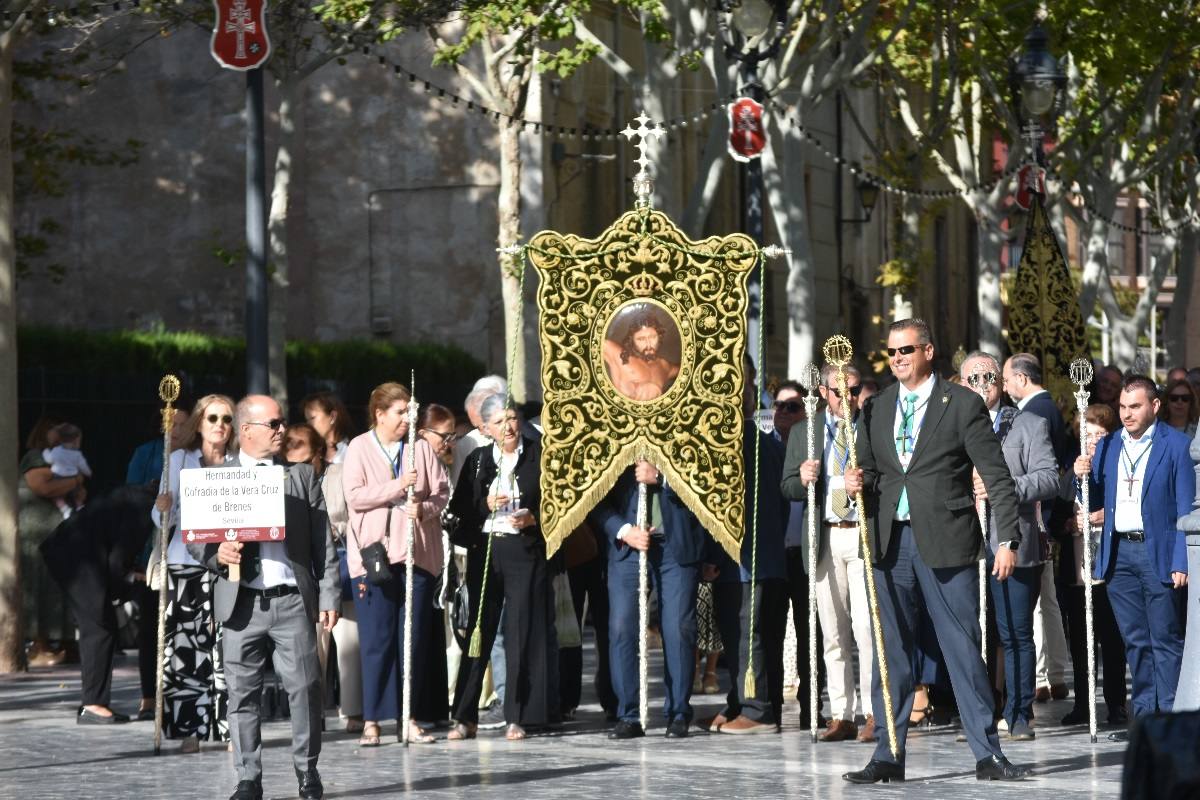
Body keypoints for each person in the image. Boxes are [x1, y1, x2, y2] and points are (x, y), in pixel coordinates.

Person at [842, 318, 1029, 783]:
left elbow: (998, 477)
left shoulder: (961, 404)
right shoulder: (876, 408)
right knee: (891, 653)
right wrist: (851, 485)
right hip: (889, 544)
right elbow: (866, 472)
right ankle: (888, 753)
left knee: (962, 648)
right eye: (891, 352)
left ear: (928, 351)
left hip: (947, 541)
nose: (898, 359)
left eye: (906, 350)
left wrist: (1006, 540)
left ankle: (987, 753)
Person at [187, 395, 339, 800]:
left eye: (282, 422)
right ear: (247, 430)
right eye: (273, 423)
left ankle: (307, 772)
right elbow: (195, 539)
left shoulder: (301, 476)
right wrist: (217, 553)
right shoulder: (217, 477)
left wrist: (328, 594)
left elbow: (323, 541)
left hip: (292, 599)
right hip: (241, 602)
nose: (281, 430)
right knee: (241, 694)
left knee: (306, 688)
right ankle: (248, 777)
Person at [1074, 375, 1193, 742]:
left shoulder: (1176, 445)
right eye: (1123, 407)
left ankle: (1171, 718)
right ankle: (1142, 717)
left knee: (1165, 639)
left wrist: (1182, 560)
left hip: (1156, 550)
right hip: (1118, 553)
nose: (1126, 414)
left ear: (1154, 406)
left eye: (1135, 406)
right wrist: (1081, 471)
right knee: (1135, 641)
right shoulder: (1108, 445)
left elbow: (1187, 509)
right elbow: (1091, 494)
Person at [342, 382, 448, 746]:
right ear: (380, 414)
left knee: (412, 641)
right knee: (377, 641)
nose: (407, 419)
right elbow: (355, 497)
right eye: (401, 412)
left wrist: (425, 508)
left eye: (410, 412)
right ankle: (372, 718)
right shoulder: (358, 447)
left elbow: (441, 493)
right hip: (373, 558)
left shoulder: (420, 448)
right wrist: (398, 486)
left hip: (415, 556)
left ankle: (409, 716)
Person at [961, 352, 1058, 740]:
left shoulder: (1028, 424)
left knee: (1014, 632)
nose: (981, 385)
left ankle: (1019, 712)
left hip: (1013, 540)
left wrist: (1005, 488)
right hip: (965, 542)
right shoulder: (954, 426)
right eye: (972, 379)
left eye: (988, 376)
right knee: (970, 632)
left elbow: (1049, 478)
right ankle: (979, 714)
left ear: (1000, 381)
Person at [448, 395, 551, 741]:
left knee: (521, 632)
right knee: (479, 633)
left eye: (512, 418)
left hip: (523, 548)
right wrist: (484, 504)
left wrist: (534, 517)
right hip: (486, 549)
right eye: (500, 421)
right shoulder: (478, 460)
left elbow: (557, 504)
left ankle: (517, 715)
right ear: (485, 428)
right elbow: (459, 509)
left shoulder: (538, 454)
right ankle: (465, 716)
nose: (508, 426)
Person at [782, 364, 875, 744]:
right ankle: (841, 713)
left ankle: (873, 711)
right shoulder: (806, 431)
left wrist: (865, 478)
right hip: (825, 536)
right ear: (823, 392)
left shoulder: (870, 425)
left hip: (861, 534)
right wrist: (802, 476)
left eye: (853, 390)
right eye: (839, 391)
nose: (847, 398)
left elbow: (890, 471)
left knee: (866, 629)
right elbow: (786, 485)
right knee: (832, 632)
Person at [151, 394, 237, 752]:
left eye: (227, 419)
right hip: (185, 563)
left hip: (229, 564)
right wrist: (162, 508)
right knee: (187, 648)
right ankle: (190, 730)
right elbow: (159, 520)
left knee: (229, 647)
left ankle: (232, 727)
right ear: (199, 423)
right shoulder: (179, 460)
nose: (220, 425)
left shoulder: (240, 464)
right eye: (212, 417)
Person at [704, 386, 789, 735]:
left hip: (746, 556)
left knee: (746, 635)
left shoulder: (749, 444)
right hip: (749, 555)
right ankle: (740, 701)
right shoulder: (762, 441)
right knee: (739, 634)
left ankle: (758, 710)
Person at [41, 485, 157, 724]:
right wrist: (130, 581)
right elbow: (118, 560)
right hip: (78, 557)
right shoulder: (145, 511)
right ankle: (92, 704)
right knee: (99, 627)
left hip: (70, 549)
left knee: (102, 624)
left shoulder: (137, 497)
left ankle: (94, 702)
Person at [1002, 353, 1071, 704]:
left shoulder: (1035, 414)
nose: (1002, 386)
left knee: (1038, 608)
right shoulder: (1044, 408)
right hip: (1033, 522)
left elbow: (1046, 474)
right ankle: (1052, 673)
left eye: (1005, 379)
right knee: (1046, 604)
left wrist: (1004, 488)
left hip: (1032, 523)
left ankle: (1044, 676)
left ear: (1021, 379)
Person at [1058, 404, 1128, 727]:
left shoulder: (1114, 463)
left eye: (1100, 435)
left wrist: (1098, 517)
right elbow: (1057, 506)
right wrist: (1070, 522)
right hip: (1076, 567)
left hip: (1107, 563)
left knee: (1111, 640)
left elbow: (1121, 504)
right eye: (1088, 434)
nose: (1093, 441)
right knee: (1081, 641)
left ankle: (1116, 704)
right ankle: (1083, 705)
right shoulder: (1071, 467)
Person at [126, 405, 192, 721]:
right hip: (152, 547)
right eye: (171, 423)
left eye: (182, 423)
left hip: (188, 549)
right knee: (151, 624)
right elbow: (132, 496)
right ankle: (149, 696)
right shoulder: (147, 453)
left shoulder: (196, 457)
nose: (176, 429)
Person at [773, 379, 826, 730]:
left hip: (808, 551)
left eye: (793, 405)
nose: (785, 412)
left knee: (814, 634)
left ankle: (812, 706)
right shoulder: (766, 447)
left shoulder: (819, 440)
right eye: (780, 406)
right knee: (772, 630)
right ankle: (768, 706)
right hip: (778, 553)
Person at [19, 417, 78, 667]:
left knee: (55, 588)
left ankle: (58, 641)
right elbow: (41, 486)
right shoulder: (36, 458)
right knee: (39, 586)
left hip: (55, 532)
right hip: (37, 533)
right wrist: (76, 480)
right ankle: (38, 646)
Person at [602, 312, 680, 401]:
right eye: (641, 339)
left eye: (652, 337)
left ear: (659, 337)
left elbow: (687, 368)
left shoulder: (664, 365)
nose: (648, 344)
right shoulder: (618, 354)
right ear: (632, 341)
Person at [42, 423, 91, 518]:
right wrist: (88, 473)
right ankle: (80, 507)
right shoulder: (77, 454)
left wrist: (45, 452)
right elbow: (83, 466)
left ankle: (65, 510)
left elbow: (49, 459)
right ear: (76, 441)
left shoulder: (56, 451)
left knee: (57, 497)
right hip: (73, 476)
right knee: (76, 494)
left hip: (58, 477)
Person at [302, 391, 356, 466]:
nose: (309, 424)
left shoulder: (353, 450)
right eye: (307, 420)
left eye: (312, 418)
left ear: (332, 416)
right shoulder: (311, 452)